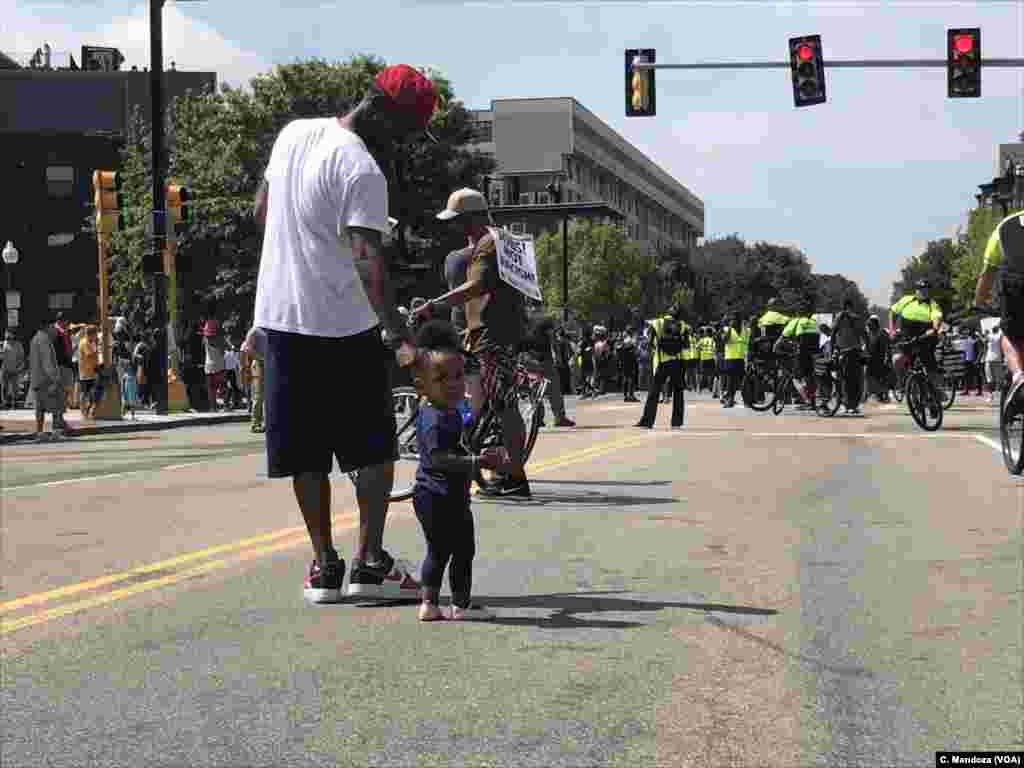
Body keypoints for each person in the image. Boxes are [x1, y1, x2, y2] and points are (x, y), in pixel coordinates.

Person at [254, 63, 436, 602]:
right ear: (384, 114)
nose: (406, 144)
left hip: (282, 319)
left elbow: (263, 212)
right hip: (343, 325)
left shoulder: (293, 133)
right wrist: (400, 335)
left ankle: (323, 567)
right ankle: (370, 562)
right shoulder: (362, 170)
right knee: (373, 450)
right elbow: (365, 258)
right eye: (407, 130)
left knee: (304, 452)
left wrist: (302, 247)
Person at [419, 188, 533, 498]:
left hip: (492, 335)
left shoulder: (487, 244)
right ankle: (499, 467)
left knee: (504, 406)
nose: (453, 227)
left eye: (456, 221)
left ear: (470, 219)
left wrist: (436, 304)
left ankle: (516, 477)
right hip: (492, 333)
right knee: (490, 404)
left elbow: (478, 285)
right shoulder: (499, 239)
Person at [410, 320, 507, 622]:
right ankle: (460, 606)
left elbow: (457, 445)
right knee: (462, 550)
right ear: (421, 385)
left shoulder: (446, 410)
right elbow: (440, 459)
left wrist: (476, 452)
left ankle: (430, 604)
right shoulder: (436, 418)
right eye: (442, 378)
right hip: (441, 497)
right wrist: (478, 462)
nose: (454, 384)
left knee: (439, 551)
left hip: (439, 495)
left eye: (457, 376)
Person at [890, 279, 944, 406]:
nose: (923, 292)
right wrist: (892, 330)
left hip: (924, 339)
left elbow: (937, 317)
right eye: (921, 289)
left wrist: (934, 328)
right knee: (897, 360)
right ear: (916, 290)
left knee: (930, 367)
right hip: (907, 338)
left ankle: (936, 392)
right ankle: (903, 383)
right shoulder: (906, 300)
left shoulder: (932, 304)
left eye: (926, 289)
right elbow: (893, 312)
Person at [636, 306, 689, 428]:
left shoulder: (657, 322)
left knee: (654, 392)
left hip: (662, 361)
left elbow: (648, 343)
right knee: (678, 392)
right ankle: (676, 423)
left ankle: (647, 421)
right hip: (678, 362)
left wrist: (656, 347)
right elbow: (686, 345)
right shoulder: (683, 325)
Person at [777, 298, 820, 410]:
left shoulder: (796, 321)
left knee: (795, 378)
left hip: (801, 354)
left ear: (798, 312)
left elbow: (783, 337)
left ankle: (807, 400)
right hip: (814, 354)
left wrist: (775, 347)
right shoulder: (814, 323)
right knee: (810, 377)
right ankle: (813, 401)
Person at [29, 321, 67, 440]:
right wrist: (55, 378)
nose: (54, 330)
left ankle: (40, 432)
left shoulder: (35, 338)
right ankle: (56, 432)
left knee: (39, 409)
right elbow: (47, 362)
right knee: (56, 406)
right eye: (52, 327)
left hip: (37, 378)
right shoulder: (44, 340)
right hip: (47, 379)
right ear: (47, 327)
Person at [831, 299, 868, 414]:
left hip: (844, 352)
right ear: (851, 306)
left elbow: (833, 333)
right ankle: (853, 405)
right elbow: (864, 335)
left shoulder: (839, 317)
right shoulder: (857, 318)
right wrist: (867, 351)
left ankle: (846, 404)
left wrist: (832, 350)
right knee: (855, 379)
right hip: (856, 352)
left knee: (844, 379)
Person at [240, 325, 267, 433]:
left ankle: (267, 423)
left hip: (270, 364)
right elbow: (247, 348)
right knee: (259, 395)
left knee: (268, 396)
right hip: (259, 365)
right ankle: (256, 423)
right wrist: (262, 358)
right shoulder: (255, 330)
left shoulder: (271, 328)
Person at [719, 314, 745, 408]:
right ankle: (729, 400)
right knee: (731, 381)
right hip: (730, 358)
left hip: (741, 358)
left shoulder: (744, 330)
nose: (735, 321)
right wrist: (729, 328)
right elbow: (724, 340)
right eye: (733, 320)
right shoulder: (726, 329)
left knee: (742, 381)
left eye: (737, 319)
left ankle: (744, 399)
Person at [202, 319, 227, 412]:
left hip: (208, 366)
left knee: (211, 388)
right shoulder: (220, 340)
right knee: (222, 386)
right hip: (220, 366)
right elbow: (223, 352)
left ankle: (213, 407)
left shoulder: (205, 340)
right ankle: (226, 405)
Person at [77, 325, 100, 419]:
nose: (97, 336)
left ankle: (88, 410)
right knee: (84, 392)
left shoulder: (91, 342)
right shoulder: (84, 342)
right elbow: (89, 354)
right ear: (91, 334)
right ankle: (83, 411)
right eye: (95, 334)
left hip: (92, 372)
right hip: (85, 372)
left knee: (92, 392)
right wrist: (97, 349)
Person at [2, 329, 25, 408]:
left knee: (15, 387)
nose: (7, 335)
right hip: (5, 369)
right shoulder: (3, 344)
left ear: (13, 335)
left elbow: (21, 357)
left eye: (9, 334)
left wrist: (20, 366)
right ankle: (6, 402)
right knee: (5, 387)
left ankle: (15, 402)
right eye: (6, 334)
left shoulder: (18, 344)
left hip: (15, 369)